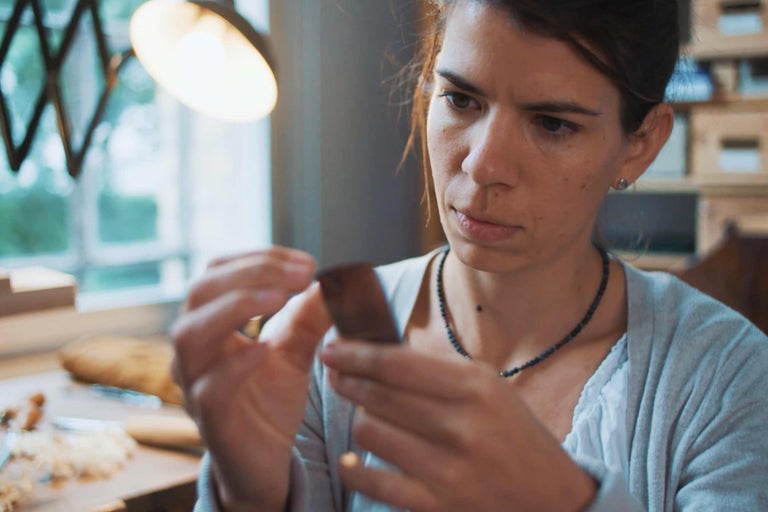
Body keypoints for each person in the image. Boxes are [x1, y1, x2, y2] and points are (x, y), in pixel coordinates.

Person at [171, 0, 768, 510]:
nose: (483, 164)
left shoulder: (727, 379)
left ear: (640, 144)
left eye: (552, 124)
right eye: (461, 100)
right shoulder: (320, 346)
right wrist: (248, 493)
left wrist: (566, 500)